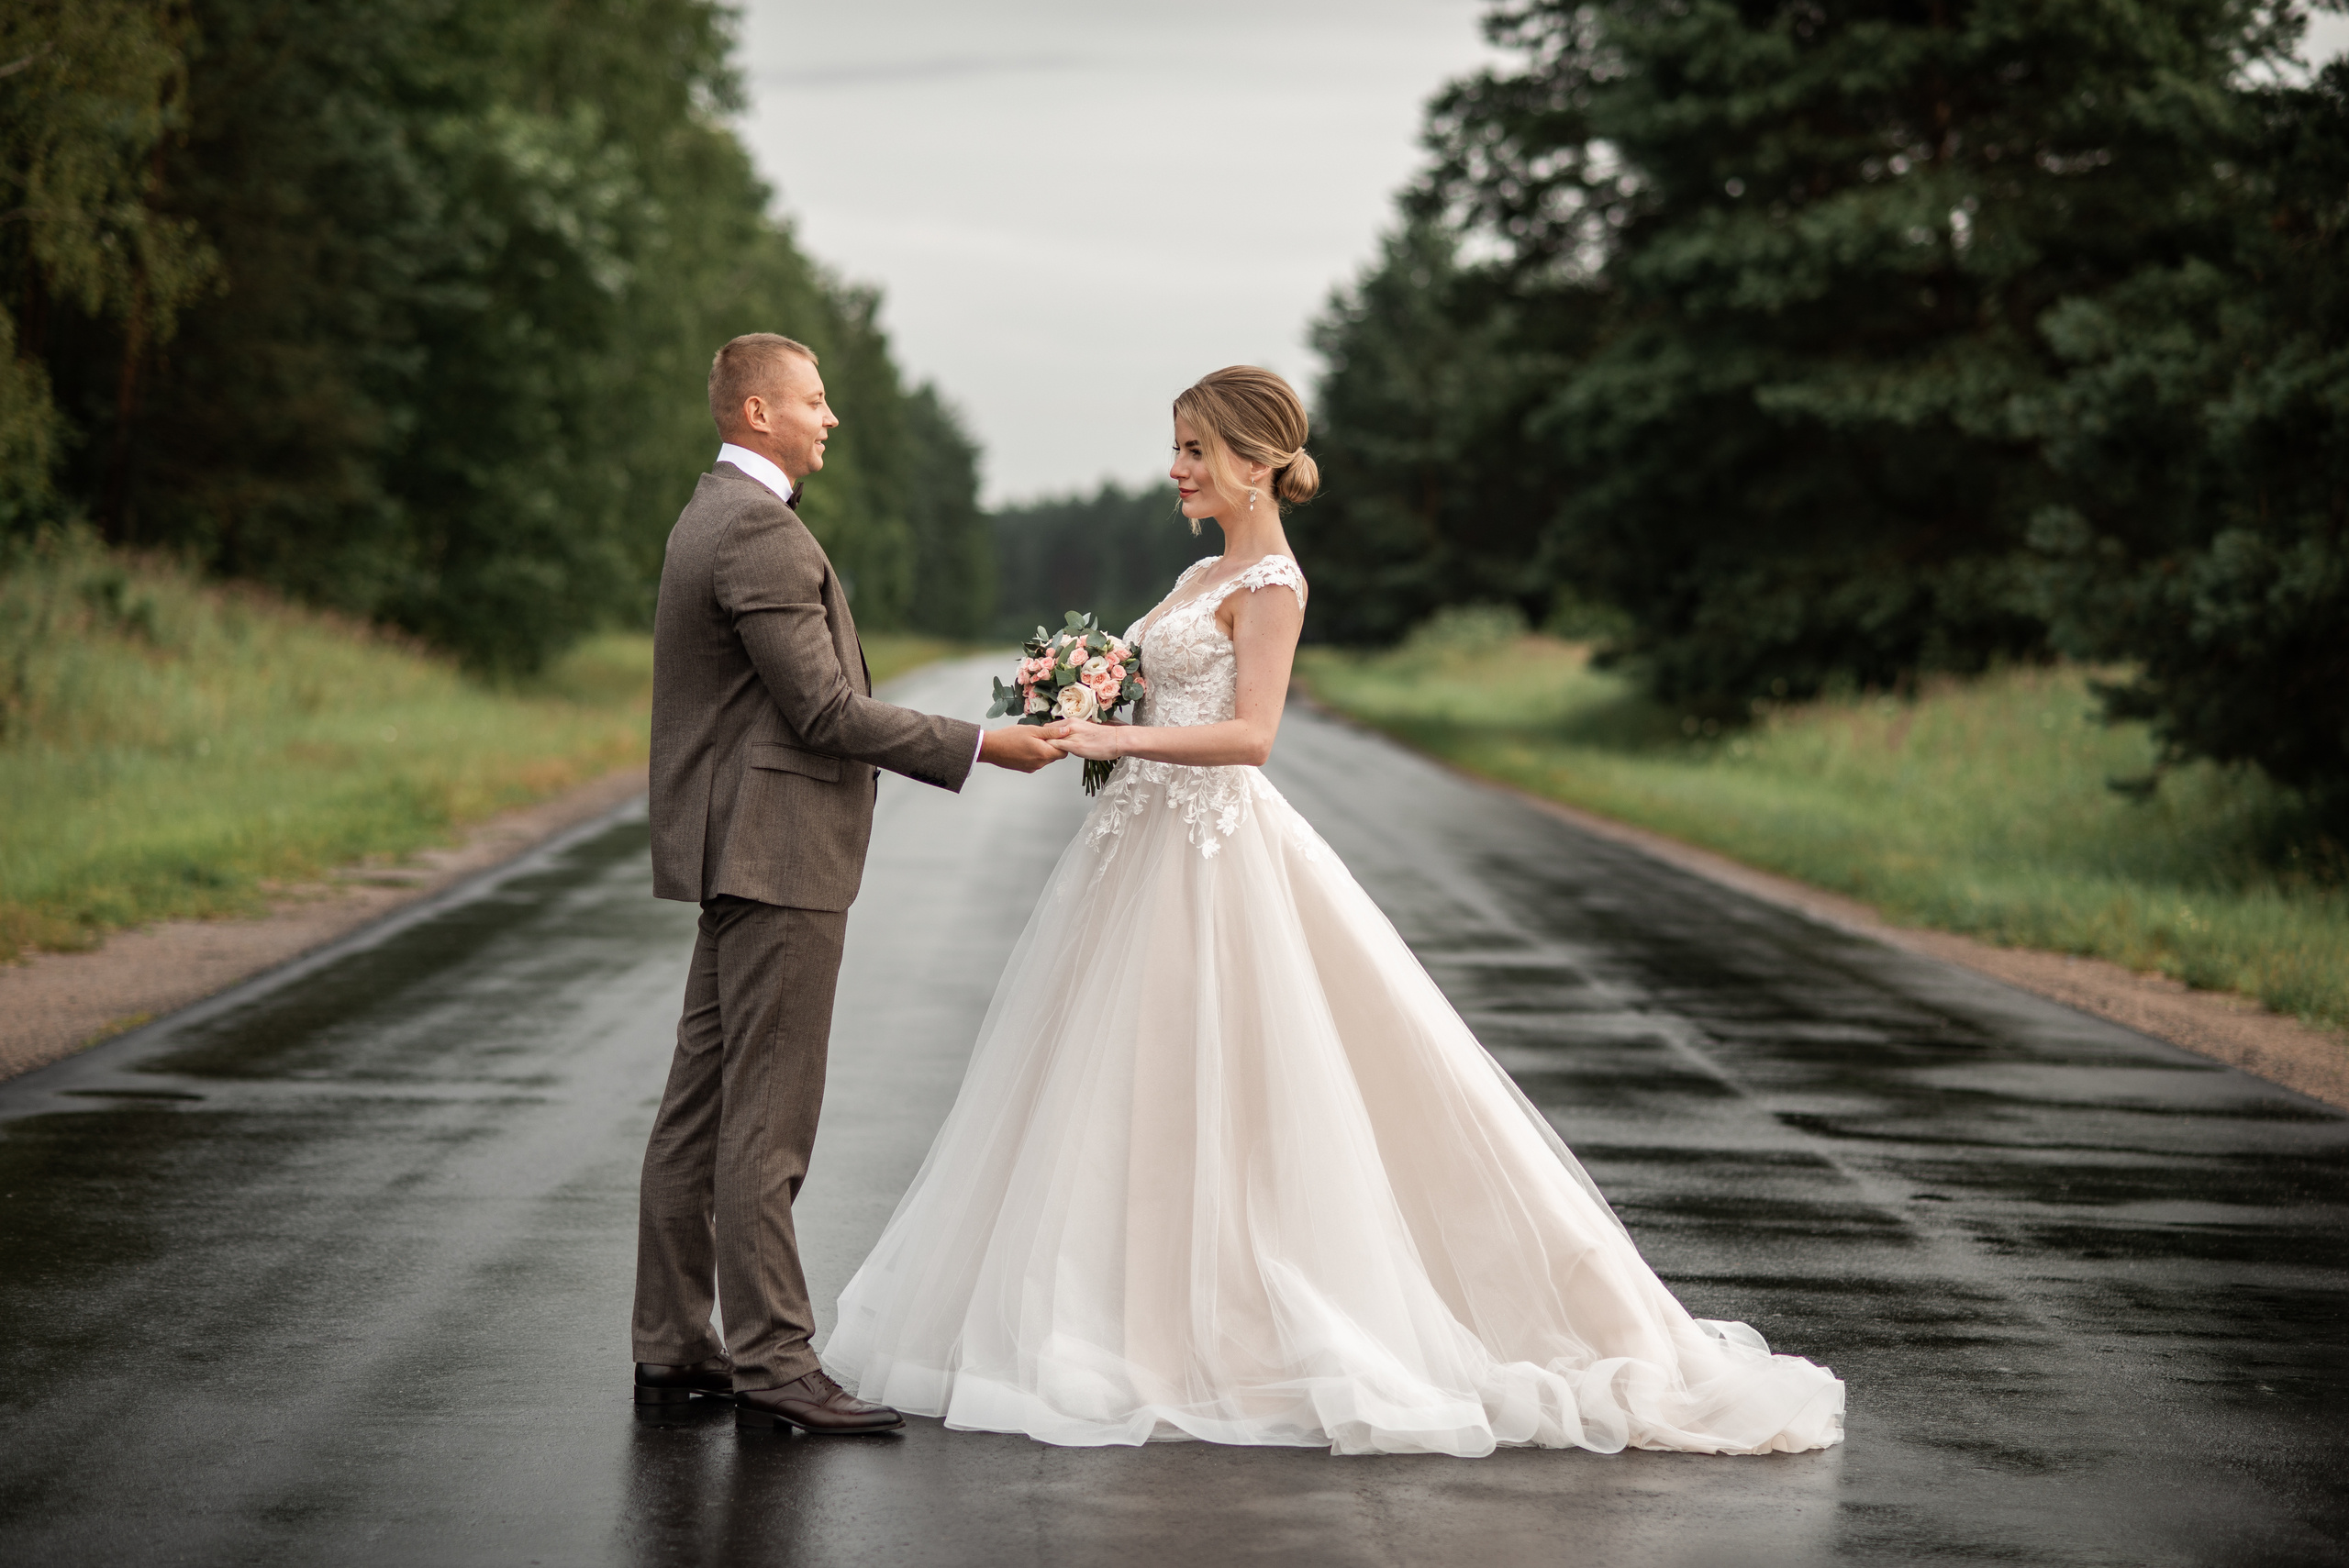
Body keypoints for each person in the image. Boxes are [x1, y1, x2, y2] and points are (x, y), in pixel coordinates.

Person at [825, 366, 1845, 1456]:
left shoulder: (1270, 580)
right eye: (1174, 448)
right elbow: (1162, 679)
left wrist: (1115, 734)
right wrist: (1086, 684)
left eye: (1194, 451)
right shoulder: (1195, 570)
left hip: (1213, 845)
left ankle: (1241, 1326)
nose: (1175, 469)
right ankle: (1116, 1310)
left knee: (1238, 1077)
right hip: (1135, 847)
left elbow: (1252, 733)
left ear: (1256, 461)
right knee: (1126, 1081)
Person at [630, 333, 1067, 1436]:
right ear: (759, 409)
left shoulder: (711, 517)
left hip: (745, 846)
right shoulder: (757, 533)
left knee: (699, 1111)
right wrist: (980, 744)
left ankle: (677, 1347)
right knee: (767, 1120)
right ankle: (775, 1360)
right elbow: (823, 711)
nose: (831, 418)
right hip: (775, 854)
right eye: (815, 402)